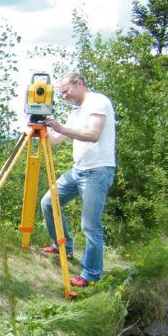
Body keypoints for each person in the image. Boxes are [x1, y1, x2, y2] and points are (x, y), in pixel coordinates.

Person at [40, 72, 116, 288]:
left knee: (90, 226)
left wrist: (61, 127)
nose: (64, 96)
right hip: (78, 170)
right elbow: (56, 141)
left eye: (66, 91)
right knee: (48, 202)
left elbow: (93, 134)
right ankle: (62, 245)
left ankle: (91, 274)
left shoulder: (98, 102)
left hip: (97, 171)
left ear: (80, 84)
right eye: (62, 93)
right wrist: (43, 130)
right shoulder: (76, 113)